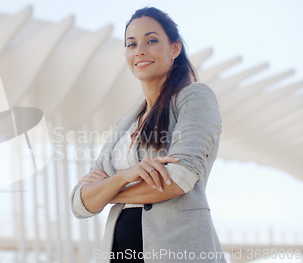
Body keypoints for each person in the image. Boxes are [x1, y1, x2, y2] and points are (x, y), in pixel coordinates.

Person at [70, 6, 227, 263]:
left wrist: (105, 192)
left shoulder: (195, 98)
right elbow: (78, 204)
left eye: (151, 40)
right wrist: (124, 176)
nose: (140, 50)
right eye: (131, 44)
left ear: (174, 48)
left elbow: (179, 179)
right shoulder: (124, 125)